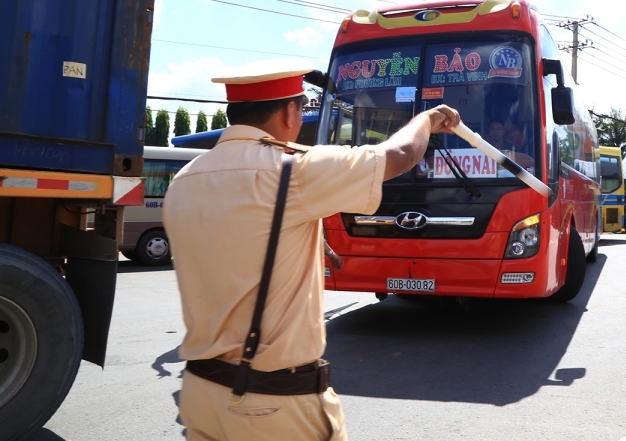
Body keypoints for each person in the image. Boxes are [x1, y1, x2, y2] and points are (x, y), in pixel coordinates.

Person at [163, 68, 460, 441]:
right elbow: (400, 153)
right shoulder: (291, 172)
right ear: (290, 113)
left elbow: (233, 234)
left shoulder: (185, 179)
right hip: (270, 406)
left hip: (200, 394)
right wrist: (427, 118)